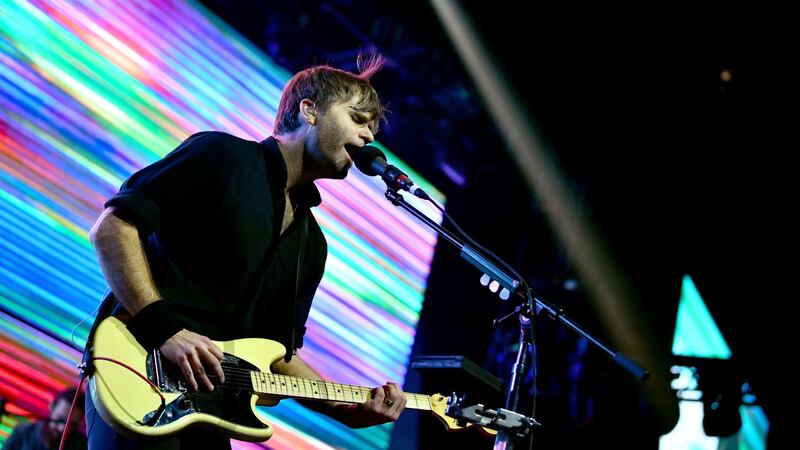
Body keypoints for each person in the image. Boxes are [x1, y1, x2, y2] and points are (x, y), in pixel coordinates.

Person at [84, 54, 407, 449]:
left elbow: (277, 355)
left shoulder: (312, 245)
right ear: (309, 111)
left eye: (372, 128)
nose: (368, 137)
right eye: (358, 119)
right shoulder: (221, 155)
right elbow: (113, 228)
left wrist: (347, 411)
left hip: (210, 408)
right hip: (138, 375)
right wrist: (166, 329)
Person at [4, 388, 86, 450]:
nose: (62, 428)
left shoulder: (83, 445)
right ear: (51, 407)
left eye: (71, 424)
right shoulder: (22, 432)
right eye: (59, 419)